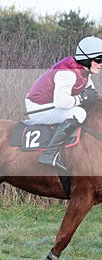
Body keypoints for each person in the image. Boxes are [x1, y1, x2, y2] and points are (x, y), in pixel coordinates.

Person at [25, 35, 102, 170]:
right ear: (86, 59)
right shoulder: (68, 73)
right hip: (38, 107)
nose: (101, 64)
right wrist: (82, 98)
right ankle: (50, 154)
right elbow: (62, 102)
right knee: (78, 113)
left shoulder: (84, 72)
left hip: (49, 104)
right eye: (99, 60)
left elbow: (93, 96)